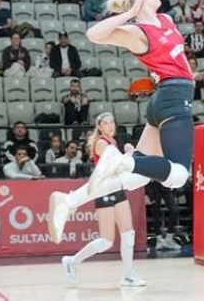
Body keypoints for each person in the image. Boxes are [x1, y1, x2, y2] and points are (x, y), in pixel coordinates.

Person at [47, 0, 195, 245]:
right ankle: (120, 161)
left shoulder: (165, 19)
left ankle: (69, 200)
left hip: (164, 96)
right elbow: (93, 35)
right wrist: (130, 13)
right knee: (179, 176)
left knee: (136, 179)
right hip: (173, 97)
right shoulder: (137, 33)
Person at [61, 113, 145, 287]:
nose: (110, 126)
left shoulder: (112, 142)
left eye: (112, 122)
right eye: (106, 123)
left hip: (117, 188)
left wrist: (129, 155)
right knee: (106, 241)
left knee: (128, 233)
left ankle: (128, 275)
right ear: (99, 126)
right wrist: (130, 154)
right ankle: (72, 261)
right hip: (103, 190)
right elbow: (114, 164)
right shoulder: (100, 142)